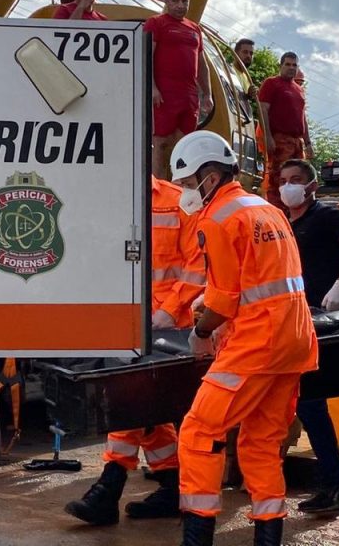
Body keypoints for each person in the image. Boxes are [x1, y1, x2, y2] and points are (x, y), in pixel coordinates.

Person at [170, 131, 317, 546]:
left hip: (256, 343)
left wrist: (200, 331)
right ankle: (267, 538)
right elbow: (261, 277)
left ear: (210, 177)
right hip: (294, 342)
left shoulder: (218, 218)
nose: (184, 193)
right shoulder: (267, 210)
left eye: (186, 183)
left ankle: (196, 537)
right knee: (261, 441)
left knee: (199, 430)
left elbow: (225, 301)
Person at [64, 175, 204, 525]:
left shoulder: (179, 202)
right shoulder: (105, 198)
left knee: (131, 402)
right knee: (146, 410)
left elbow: (196, 266)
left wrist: (167, 310)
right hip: (123, 321)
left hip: (166, 327)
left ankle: (109, 487)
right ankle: (172, 486)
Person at [279, 159, 339, 514]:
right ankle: (331, 484)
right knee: (301, 403)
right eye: (283, 180)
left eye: (296, 180)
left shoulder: (326, 216)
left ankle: (336, 486)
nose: (288, 186)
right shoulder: (286, 222)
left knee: (310, 402)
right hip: (293, 320)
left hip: (321, 318)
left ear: (312, 186)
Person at [145, 0, 213, 180]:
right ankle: (156, 189)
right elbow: (147, 56)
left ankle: (177, 190)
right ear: (167, 1)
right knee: (160, 142)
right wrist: (152, 87)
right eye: (175, 0)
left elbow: (202, 65)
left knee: (184, 145)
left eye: (184, 1)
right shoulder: (156, 23)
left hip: (189, 96)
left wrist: (207, 94)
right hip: (164, 94)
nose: (180, 5)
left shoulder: (195, 29)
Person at [259, 52, 313, 210]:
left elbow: (302, 117)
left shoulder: (299, 90)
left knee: (299, 179)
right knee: (279, 179)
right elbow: (263, 110)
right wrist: (268, 137)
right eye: (287, 64)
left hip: (297, 142)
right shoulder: (271, 83)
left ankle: (294, 215)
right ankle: (276, 213)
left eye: (294, 65)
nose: (291, 68)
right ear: (280, 66)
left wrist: (308, 143)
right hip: (280, 139)